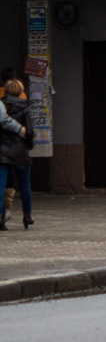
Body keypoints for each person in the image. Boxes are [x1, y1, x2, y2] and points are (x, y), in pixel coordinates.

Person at [0, 79, 33, 230]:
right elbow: (30, 131)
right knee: (25, 185)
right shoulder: (25, 107)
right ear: (21, 92)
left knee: (0, 185)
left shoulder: (2, 105)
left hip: (2, 150)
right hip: (20, 151)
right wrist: (29, 145)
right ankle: (27, 215)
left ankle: (1, 215)